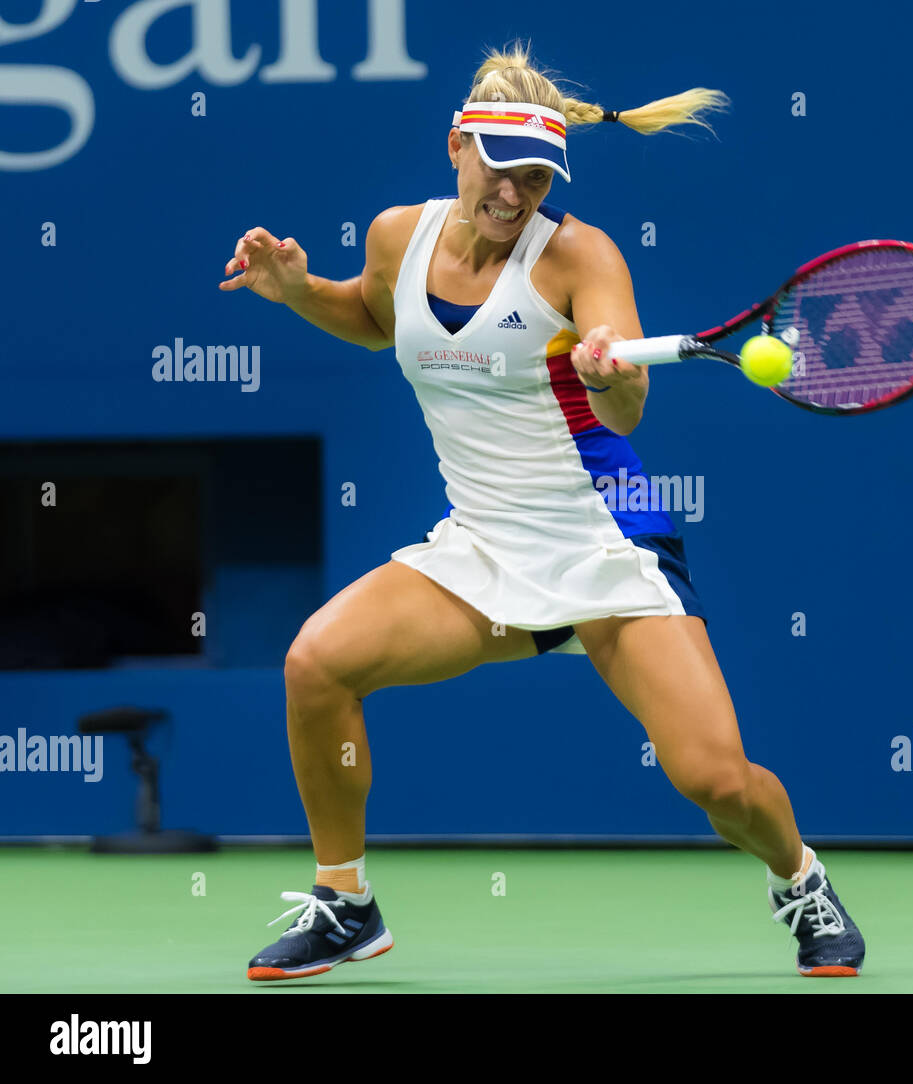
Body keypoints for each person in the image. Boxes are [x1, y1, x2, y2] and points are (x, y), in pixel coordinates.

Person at [220, 41, 864, 981]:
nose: (513, 193)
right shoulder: (397, 236)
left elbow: (627, 411)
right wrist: (295, 292)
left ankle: (799, 877)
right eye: (497, 166)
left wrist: (606, 370)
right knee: (318, 663)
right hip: (481, 546)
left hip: (606, 538)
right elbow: (371, 318)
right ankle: (345, 904)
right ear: (456, 146)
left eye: (534, 176)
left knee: (714, 780)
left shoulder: (579, 257)